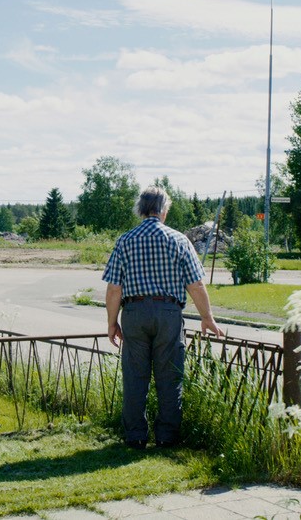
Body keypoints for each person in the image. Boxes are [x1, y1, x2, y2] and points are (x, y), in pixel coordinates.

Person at [102, 186, 224, 449]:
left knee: (135, 376)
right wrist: (207, 317)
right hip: (169, 313)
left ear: (141, 210)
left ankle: (135, 436)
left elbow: (114, 288)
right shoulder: (179, 240)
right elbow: (196, 284)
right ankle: (167, 437)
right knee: (169, 376)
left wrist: (112, 323)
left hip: (134, 313)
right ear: (164, 210)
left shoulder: (125, 240)